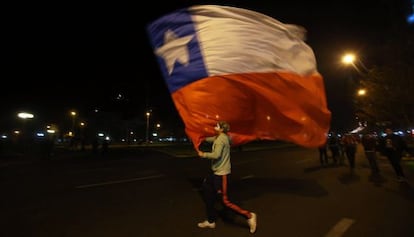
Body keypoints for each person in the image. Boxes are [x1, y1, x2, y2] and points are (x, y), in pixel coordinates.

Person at [197, 121, 257, 234]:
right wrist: (200, 137)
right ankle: (210, 220)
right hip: (215, 172)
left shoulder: (220, 139)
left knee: (225, 201)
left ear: (221, 129)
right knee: (207, 190)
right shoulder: (222, 137)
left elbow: (216, 155)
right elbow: (211, 139)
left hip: (221, 174)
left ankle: (249, 216)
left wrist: (203, 154)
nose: (215, 127)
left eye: (217, 126)